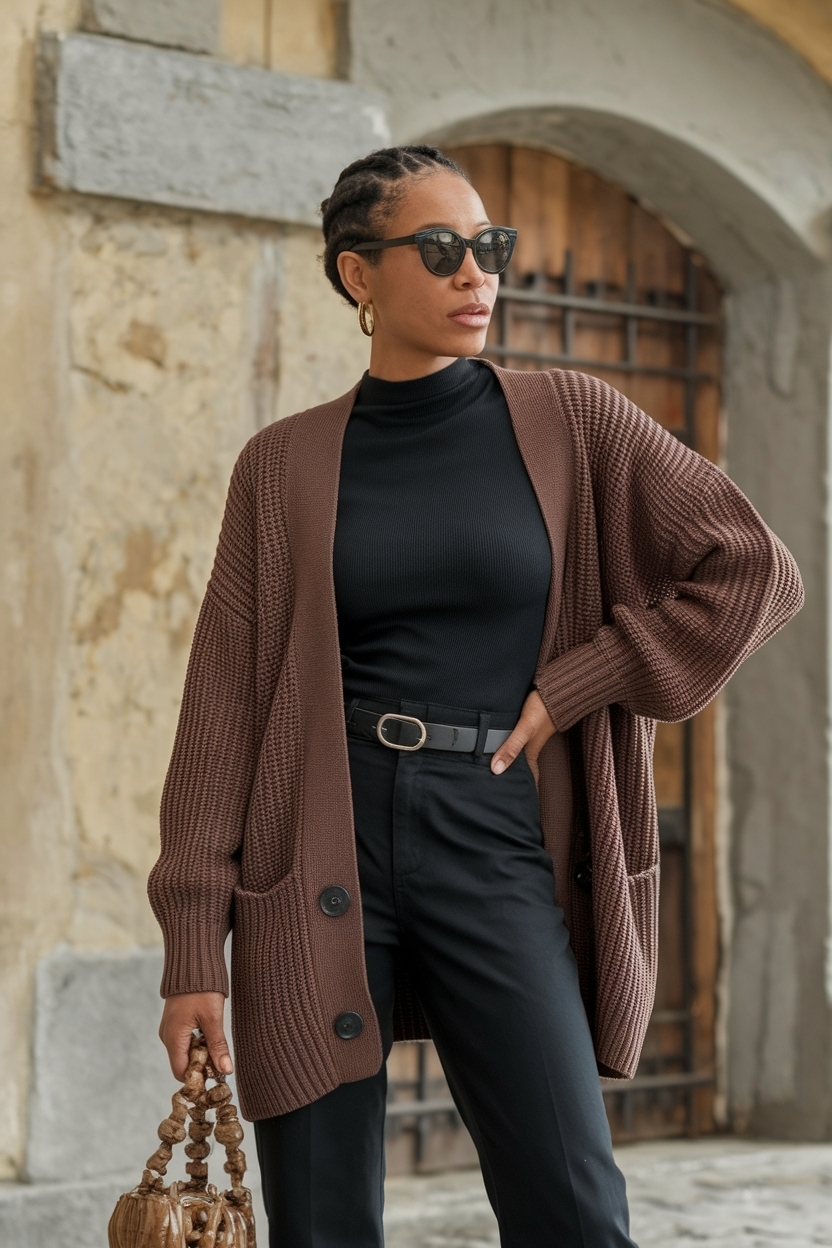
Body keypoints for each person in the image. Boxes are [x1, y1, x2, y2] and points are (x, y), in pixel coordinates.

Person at [149, 145, 803, 1247]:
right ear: (359, 275)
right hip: (318, 845)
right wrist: (188, 957)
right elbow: (222, 710)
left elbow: (755, 571)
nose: (476, 273)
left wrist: (579, 683)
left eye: (489, 246)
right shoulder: (282, 465)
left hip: (496, 828)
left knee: (573, 1207)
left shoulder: (573, 420)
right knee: (320, 1222)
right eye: (441, 248)